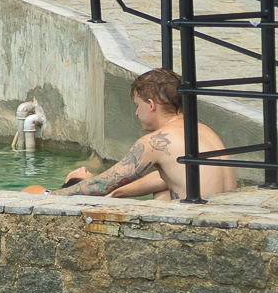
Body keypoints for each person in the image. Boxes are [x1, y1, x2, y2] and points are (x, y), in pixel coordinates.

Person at [56, 68, 231, 201]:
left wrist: (50, 196)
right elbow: (169, 177)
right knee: (163, 192)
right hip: (227, 216)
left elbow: (100, 185)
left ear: (151, 105)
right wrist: (119, 192)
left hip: (197, 227)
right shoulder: (203, 129)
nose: (136, 114)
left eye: (137, 106)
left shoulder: (154, 142)